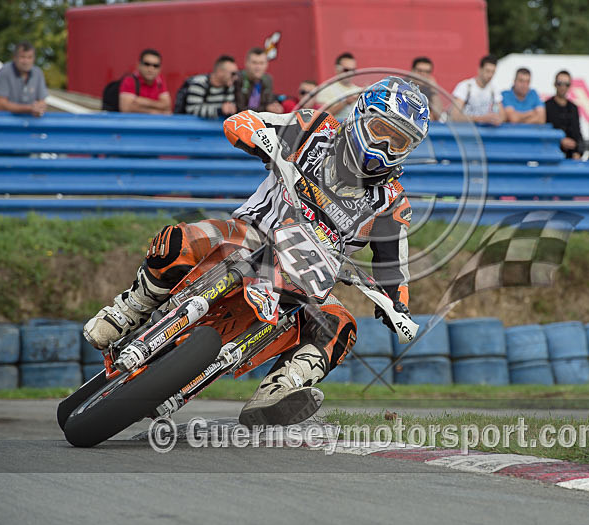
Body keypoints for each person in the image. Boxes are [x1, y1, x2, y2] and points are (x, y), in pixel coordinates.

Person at [83, 76, 429, 427]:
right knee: (181, 239)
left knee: (340, 326)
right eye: (381, 131)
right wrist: (256, 136)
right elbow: (244, 121)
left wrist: (396, 306)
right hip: (251, 236)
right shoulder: (315, 129)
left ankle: (280, 390)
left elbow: (393, 267)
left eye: (399, 142)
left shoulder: (391, 202)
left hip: (306, 282)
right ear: (359, 118)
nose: (386, 147)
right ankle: (129, 308)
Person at [0, 41, 48, 117]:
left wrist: (39, 108)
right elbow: (0, 105)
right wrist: (29, 108)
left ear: (34, 59)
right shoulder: (5, 71)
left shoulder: (38, 73)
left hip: (30, 123)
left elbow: (42, 102)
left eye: (29, 57)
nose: (26, 61)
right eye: (22, 57)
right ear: (14, 58)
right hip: (4, 122)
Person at [451, 55, 503, 125]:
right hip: (465, 132)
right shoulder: (465, 87)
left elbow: (502, 115)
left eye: (493, 72)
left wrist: (497, 119)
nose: (490, 75)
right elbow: (455, 116)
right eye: (487, 71)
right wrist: (481, 119)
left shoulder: (494, 90)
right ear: (479, 70)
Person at [119, 48, 172, 114]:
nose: (151, 69)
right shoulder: (130, 80)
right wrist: (154, 111)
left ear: (160, 68)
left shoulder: (160, 80)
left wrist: (141, 101)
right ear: (138, 65)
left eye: (156, 66)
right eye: (147, 64)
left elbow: (167, 106)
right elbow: (126, 109)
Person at [544, 70, 582, 158]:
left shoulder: (573, 108)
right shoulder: (546, 106)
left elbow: (578, 133)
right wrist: (559, 140)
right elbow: (544, 132)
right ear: (555, 84)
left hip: (571, 157)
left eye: (566, 84)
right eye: (560, 83)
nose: (563, 87)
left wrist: (578, 152)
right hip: (551, 155)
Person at [237, 47, 283, 114]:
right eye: (254, 63)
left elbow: (269, 102)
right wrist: (266, 108)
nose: (258, 67)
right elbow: (240, 108)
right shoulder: (238, 78)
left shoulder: (268, 79)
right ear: (246, 63)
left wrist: (274, 106)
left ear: (266, 64)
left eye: (261, 63)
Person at [316, 52, 361, 120]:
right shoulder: (325, 89)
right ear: (337, 69)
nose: (350, 73)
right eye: (346, 70)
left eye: (353, 70)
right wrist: (345, 102)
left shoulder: (359, 90)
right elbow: (322, 114)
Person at [411, 57, 444, 121]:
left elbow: (438, 115)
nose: (423, 74)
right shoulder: (402, 85)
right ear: (412, 71)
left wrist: (434, 89)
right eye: (419, 71)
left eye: (427, 72)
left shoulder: (430, 91)